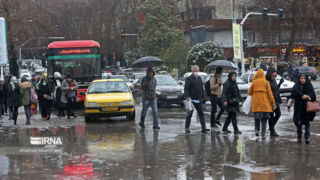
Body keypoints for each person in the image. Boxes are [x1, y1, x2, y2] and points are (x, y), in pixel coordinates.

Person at [288, 74, 316, 144]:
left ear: (306, 79)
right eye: (301, 78)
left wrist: (307, 97)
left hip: (307, 108)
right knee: (298, 123)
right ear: (299, 79)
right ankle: (299, 136)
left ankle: (307, 138)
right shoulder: (296, 86)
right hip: (298, 108)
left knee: (307, 123)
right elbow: (292, 96)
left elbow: (313, 97)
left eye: (304, 78)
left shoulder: (309, 86)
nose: (303, 80)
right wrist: (288, 106)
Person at [248, 69, 276, 139]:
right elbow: (270, 94)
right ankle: (263, 134)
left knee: (257, 118)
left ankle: (257, 131)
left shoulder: (254, 82)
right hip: (265, 104)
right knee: (264, 119)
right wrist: (273, 102)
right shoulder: (266, 82)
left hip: (256, 103)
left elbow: (249, 93)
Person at [184, 65, 209, 133]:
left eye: (198, 71)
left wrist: (202, 97)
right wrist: (187, 96)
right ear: (192, 71)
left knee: (201, 113)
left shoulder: (199, 78)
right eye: (196, 71)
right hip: (191, 99)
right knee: (190, 114)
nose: (197, 72)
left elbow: (201, 88)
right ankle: (187, 127)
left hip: (199, 99)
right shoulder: (189, 79)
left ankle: (204, 128)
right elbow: (186, 88)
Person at [266, 67, 284, 136]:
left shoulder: (274, 81)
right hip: (270, 101)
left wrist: (280, 83)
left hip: (276, 101)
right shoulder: (267, 81)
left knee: (278, 114)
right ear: (269, 74)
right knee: (271, 116)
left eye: (275, 76)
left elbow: (276, 89)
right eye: (273, 76)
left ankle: (271, 127)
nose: (274, 77)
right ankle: (272, 131)